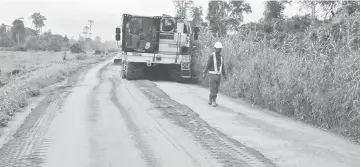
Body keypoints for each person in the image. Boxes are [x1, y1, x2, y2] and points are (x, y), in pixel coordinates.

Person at [203, 42, 227, 107]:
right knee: (213, 88)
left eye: (220, 49)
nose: (219, 50)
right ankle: (214, 101)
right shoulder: (212, 56)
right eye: (218, 49)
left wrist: (224, 75)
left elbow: (223, 66)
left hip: (218, 76)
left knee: (216, 89)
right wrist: (204, 73)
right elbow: (207, 65)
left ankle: (210, 99)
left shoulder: (221, 57)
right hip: (212, 75)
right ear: (215, 48)